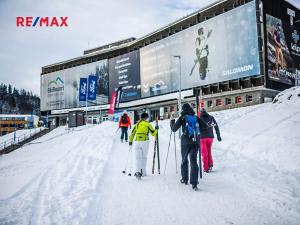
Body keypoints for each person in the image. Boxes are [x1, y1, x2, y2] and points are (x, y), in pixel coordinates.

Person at [170, 103, 206, 190]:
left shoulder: (182, 117)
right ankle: (194, 183)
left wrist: (172, 122)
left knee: (184, 160)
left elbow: (174, 129)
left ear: (183, 109)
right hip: (195, 141)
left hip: (185, 140)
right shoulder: (196, 117)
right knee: (194, 162)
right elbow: (204, 126)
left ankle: (185, 179)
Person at [129, 112, 158, 179]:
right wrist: (156, 129)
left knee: (138, 158)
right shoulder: (147, 124)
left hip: (137, 142)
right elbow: (153, 133)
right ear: (146, 118)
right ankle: (143, 172)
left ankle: (138, 172)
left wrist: (130, 141)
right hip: (145, 141)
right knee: (144, 157)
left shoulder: (137, 124)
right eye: (148, 117)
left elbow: (132, 133)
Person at [199, 108, 221, 173]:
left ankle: (206, 168)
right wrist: (218, 135)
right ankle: (210, 164)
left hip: (202, 138)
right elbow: (216, 126)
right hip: (210, 137)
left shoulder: (199, 119)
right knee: (209, 151)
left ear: (200, 112)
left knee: (204, 153)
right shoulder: (211, 117)